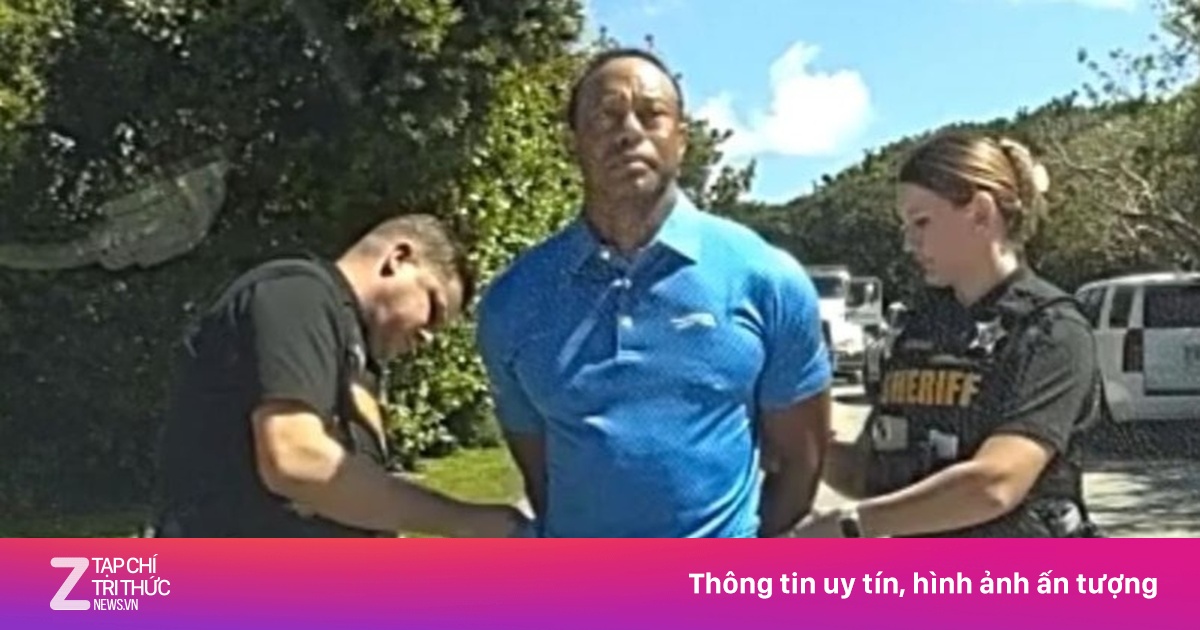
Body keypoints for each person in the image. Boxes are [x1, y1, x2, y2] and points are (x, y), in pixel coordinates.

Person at [475, 48, 834, 538]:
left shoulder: (766, 279)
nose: (628, 132)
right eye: (605, 116)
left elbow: (800, 465)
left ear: (681, 140)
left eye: (652, 115)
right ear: (572, 142)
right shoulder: (513, 301)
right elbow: (542, 478)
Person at [793, 131, 1103, 538]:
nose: (909, 243)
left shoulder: (1050, 330)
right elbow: (874, 474)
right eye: (906, 226)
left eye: (921, 222)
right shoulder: (919, 329)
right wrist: (792, 444)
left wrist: (852, 525)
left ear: (980, 213)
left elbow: (995, 484)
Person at [153, 213, 530, 537]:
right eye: (432, 307)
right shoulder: (297, 295)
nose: (427, 337)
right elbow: (295, 459)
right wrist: (466, 521)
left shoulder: (355, 353)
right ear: (398, 258)